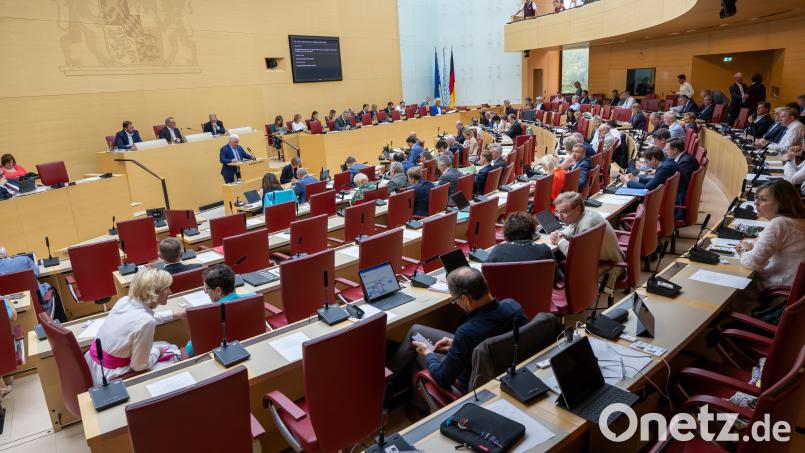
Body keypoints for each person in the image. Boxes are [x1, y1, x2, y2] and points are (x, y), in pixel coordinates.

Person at [389, 267, 527, 392]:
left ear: (466, 299)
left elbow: (443, 378)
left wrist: (428, 353)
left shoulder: (466, 333)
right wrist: (455, 342)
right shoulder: (513, 307)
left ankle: (390, 384)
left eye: (455, 300)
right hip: (509, 370)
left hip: (473, 384)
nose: (456, 304)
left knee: (420, 353)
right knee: (416, 330)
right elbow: (492, 338)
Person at [85, 268, 183, 384]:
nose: (170, 292)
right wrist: (157, 352)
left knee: (165, 346)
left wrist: (174, 314)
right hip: (111, 376)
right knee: (174, 352)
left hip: (93, 363)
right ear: (154, 291)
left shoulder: (124, 301)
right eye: (166, 288)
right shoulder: (146, 321)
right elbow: (139, 366)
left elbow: (142, 320)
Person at [735, 180, 805, 292]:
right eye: (757, 198)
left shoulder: (780, 223)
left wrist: (743, 249)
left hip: (774, 293)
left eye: (763, 200)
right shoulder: (798, 220)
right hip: (794, 292)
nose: (756, 203)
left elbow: (752, 262)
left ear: (782, 203)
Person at [549, 192, 624, 292]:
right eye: (557, 212)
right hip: (608, 260)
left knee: (552, 268)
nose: (560, 217)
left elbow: (577, 258)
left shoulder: (587, 225)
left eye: (564, 212)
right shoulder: (586, 214)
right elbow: (573, 228)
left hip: (606, 269)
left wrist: (561, 241)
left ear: (578, 209)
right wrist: (562, 235)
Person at [185, 265, 256, 356]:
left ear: (218, 290)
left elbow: (192, 350)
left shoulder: (205, 315)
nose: (207, 293)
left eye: (207, 289)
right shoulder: (253, 297)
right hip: (250, 349)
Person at [487, 212, 561, 283]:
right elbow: (555, 279)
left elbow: (487, 277)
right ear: (533, 233)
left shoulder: (498, 250)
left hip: (505, 294)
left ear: (506, 233)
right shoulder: (545, 250)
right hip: (539, 295)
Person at [0, 246, 61, 320]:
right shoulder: (24, 259)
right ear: (6, 255)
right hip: (38, 301)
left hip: (10, 309)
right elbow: (35, 274)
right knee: (50, 288)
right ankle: (58, 322)